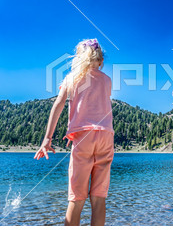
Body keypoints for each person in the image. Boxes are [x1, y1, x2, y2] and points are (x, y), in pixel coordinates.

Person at [34, 38, 114, 226]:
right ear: (100, 61)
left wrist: (47, 138)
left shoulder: (72, 78)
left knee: (76, 199)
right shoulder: (107, 80)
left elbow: (59, 104)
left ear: (78, 59)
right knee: (99, 198)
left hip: (83, 137)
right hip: (106, 136)